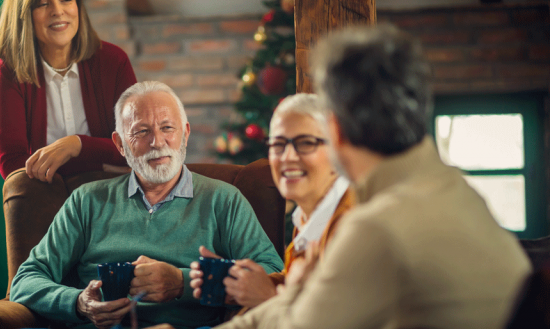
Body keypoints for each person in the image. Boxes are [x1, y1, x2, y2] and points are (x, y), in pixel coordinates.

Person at [172, 24, 531, 329]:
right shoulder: (456, 188)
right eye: (278, 144)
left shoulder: (376, 226)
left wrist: (294, 290)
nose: (289, 156)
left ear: (336, 132)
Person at [9, 81, 283, 329]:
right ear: (120, 144)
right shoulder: (86, 200)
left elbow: (271, 274)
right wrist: (79, 303)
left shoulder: (224, 199)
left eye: (167, 128)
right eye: (141, 131)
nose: (157, 142)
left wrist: (181, 282)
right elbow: (25, 281)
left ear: (185, 133)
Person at [190, 93, 355, 310]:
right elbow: (294, 288)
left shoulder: (353, 224)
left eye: (305, 143)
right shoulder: (308, 215)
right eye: (278, 145)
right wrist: (241, 283)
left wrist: (268, 297)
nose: (287, 157)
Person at [0, 0, 137, 182]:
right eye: (43, 3)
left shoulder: (114, 61)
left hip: (110, 192)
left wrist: (77, 145)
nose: (57, 11)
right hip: (45, 193)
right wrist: (94, 163)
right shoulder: (10, 70)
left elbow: (135, 142)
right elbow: (11, 162)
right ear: (23, 14)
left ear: (77, 6)